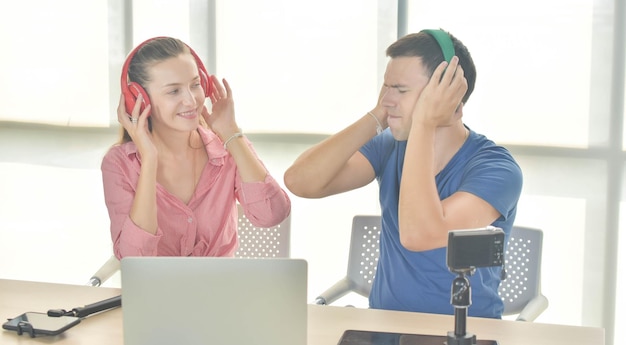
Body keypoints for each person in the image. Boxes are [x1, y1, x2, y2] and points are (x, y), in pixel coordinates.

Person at [283, 29, 522, 318]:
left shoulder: (496, 168)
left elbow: (420, 234)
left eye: (402, 90)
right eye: (386, 87)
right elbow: (301, 182)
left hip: (467, 330)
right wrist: (377, 116)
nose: (388, 99)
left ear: (449, 94)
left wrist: (424, 122)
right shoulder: (389, 146)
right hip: (386, 327)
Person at [102, 36, 290, 258]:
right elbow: (135, 259)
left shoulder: (227, 146)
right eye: (174, 91)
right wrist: (149, 161)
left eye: (195, 85)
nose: (191, 101)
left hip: (223, 290)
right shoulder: (120, 164)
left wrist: (230, 131)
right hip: (156, 292)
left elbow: (272, 215)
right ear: (139, 99)